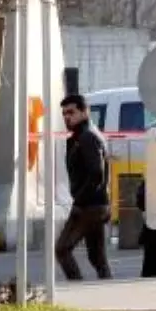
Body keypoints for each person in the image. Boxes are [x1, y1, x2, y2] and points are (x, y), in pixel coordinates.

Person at [57, 94, 113, 280]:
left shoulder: (88, 136)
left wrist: (79, 202)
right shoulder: (82, 136)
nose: (67, 117)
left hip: (89, 206)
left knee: (63, 249)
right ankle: (107, 288)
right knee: (97, 257)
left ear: (84, 111)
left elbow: (97, 173)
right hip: (95, 204)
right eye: (64, 113)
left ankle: (77, 286)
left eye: (71, 112)